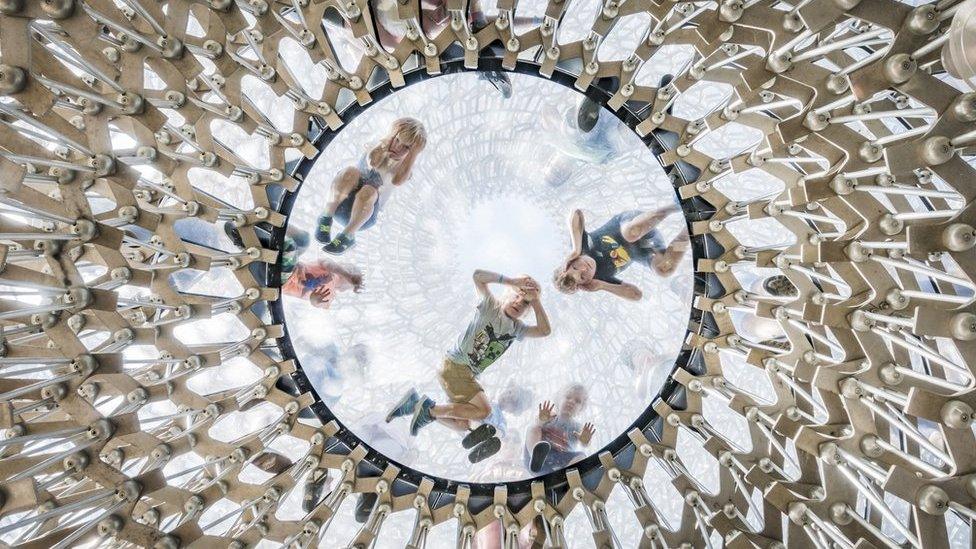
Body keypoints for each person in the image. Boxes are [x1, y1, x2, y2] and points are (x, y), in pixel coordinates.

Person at [385, 270, 552, 463]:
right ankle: (428, 411)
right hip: (456, 367)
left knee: (462, 424)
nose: (518, 303)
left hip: (464, 374)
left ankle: (414, 403)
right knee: (484, 411)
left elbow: (544, 331)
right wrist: (511, 281)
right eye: (517, 296)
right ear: (507, 294)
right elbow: (478, 276)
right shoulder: (491, 306)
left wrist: (536, 300)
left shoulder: (517, 329)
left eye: (525, 303)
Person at [315, 118, 427, 254]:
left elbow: (398, 181)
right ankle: (325, 218)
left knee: (369, 190)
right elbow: (373, 162)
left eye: (406, 147)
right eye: (397, 140)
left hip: (363, 215)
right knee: (350, 171)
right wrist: (386, 144)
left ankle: (347, 237)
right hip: (341, 201)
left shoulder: (404, 168)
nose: (398, 147)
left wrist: (413, 154)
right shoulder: (378, 145)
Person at [553, 207, 689, 301]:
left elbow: (575, 214)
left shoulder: (580, 248)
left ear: (570, 262)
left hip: (631, 223)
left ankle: (673, 207)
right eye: (583, 277)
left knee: (630, 233)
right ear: (585, 284)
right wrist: (603, 286)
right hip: (646, 247)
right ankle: (689, 229)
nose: (584, 269)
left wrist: (576, 250)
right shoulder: (600, 278)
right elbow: (637, 295)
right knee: (663, 270)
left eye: (576, 267)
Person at [525, 384, 596, 475]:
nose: (571, 401)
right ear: (559, 399)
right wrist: (541, 420)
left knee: (581, 456)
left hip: (562, 459)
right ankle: (534, 456)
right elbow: (537, 425)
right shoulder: (550, 416)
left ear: (581, 409)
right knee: (533, 428)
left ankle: (566, 476)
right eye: (568, 397)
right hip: (543, 452)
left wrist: (585, 441)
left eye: (577, 401)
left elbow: (585, 444)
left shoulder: (578, 427)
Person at [280, 257, 363, 309]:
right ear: (341, 263)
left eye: (353, 272)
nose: (352, 273)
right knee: (300, 243)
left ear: (343, 289)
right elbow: (328, 264)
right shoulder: (329, 266)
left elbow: (319, 304)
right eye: (351, 269)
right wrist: (346, 274)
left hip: (283, 284)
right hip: (289, 268)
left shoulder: (331, 295)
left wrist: (315, 300)